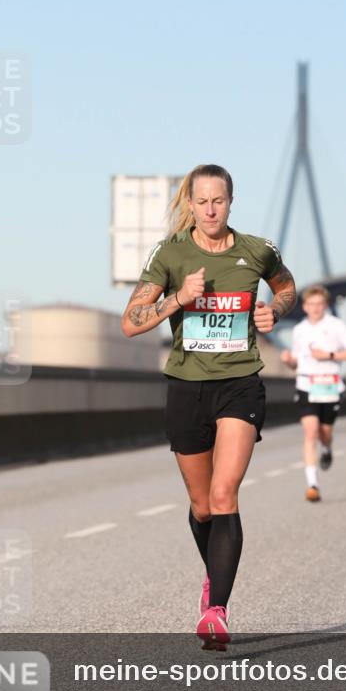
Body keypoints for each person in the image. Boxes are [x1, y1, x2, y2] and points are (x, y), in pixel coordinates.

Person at [121, 164, 296, 649]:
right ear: (192, 204)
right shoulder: (172, 252)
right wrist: (179, 297)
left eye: (219, 200)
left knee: (224, 496)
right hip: (186, 388)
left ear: (231, 202)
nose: (211, 209)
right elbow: (131, 322)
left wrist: (274, 311)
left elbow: (286, 286)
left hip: (240, 383)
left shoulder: (256, 250)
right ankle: (212, 579)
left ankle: (216, 610)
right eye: (203, 202)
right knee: (201, 507)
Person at [280, 286, 346, 502]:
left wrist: (329, 355)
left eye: (319, 304)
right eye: (311, 304)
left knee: (325, 432)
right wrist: (288, 360)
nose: (315, 308)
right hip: (306, 384)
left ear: (325, 305)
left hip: (330, 386)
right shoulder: (299, 330)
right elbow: (296, 363)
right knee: (310, 432)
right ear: (305, 307)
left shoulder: (336, 325)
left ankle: (327, 448)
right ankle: (312, 484)